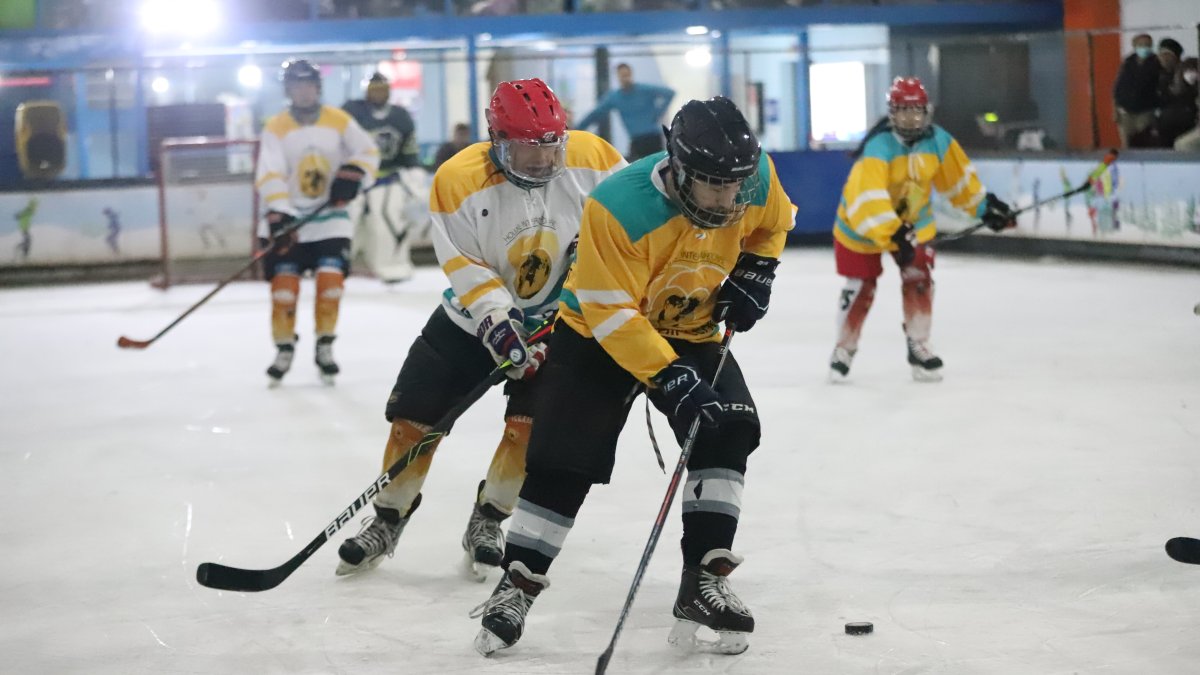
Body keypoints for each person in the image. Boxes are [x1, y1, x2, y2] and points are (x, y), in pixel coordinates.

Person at [471, 96, 796, 657]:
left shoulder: (752, 178)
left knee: (728, 427)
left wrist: (757, 268)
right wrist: (669, 377)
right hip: (598, 333)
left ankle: (703, 580)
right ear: (680, 169)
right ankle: (517, 585)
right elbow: (611, 311)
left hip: (690, 326)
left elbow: (775, 223)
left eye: (735, 188)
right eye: (713, 187)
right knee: (563, 458)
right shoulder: (619, 206)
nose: (728, 201)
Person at [334, 79, 626, 582]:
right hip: (469, 321)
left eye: (551, 145)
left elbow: (630, 218)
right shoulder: (458, 179)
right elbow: (468, 269)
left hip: (559, 325)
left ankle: (488, 519)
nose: (543, 160)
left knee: (527, 432)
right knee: (412, 424)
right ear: (497, 139)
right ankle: (388, 518)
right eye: (527, 148)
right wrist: (501, 330)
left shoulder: (595, 159)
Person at [827, 77, 1015, 383]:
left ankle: (919, 344)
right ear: (892, 112)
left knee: (919, 280)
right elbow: (868, 198)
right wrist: (893, 232)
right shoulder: (878, 147)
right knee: (861, 286)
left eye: (915, 111)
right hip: (861, 226)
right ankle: (844, 347)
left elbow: (959, 182)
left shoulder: (938, 141)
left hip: (914, 225)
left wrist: (985, 208)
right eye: (903, 111)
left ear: (926, 111)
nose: (910, 118)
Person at [255, 59, 380, 386]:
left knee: (331, 284)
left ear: (317, 87)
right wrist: (280, 211)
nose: (303, 91)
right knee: (284, 291)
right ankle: (284, 347)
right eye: (296, 85)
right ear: (288, 90)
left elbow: (368, 153)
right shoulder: (276, 127)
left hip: (330, 218)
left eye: (308, 84)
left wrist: (354, 174)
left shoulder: (339, 120)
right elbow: (270, 172)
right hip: (291, 219)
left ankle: (325, 345)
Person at [343, 72, 426, 283]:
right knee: (346, 221)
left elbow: (409, 152)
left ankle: (392, 265)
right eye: (374, 89)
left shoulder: (401, 116)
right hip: (355, 179)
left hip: (387, 180)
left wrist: (414, 173)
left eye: (382, 89)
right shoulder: (351, 112)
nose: (378, 93)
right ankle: (339, 264)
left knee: (388, 220)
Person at [576, 63, 675, 161]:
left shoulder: (644, 90)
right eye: (622, 75)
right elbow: (595, 114)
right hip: (636, 140)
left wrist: (657, 113)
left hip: (653, 138)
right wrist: (577, 129)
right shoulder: (615, 97)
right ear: (618, 77)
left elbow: (669, 93)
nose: (625, 78)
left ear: (631, 74)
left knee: (658, 164)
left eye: (627, 75)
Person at [1113, 33, 1162, 148]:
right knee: (1126, 144)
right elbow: (1118, 87)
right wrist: (1115, 108)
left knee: (1143, 142)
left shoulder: (1156, 63)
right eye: (1141, 44)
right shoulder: (1128, 62)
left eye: (1148, 44)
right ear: (1134, 45)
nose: (1145, 47)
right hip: (1125, 112)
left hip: (1145, 111)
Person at [13, 197, 36, 262]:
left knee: (28, 241)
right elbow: (19, 215)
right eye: (33, 207)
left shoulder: (29, 211)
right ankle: (20, 251)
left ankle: (23, 254)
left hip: (24, 228)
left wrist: (18, 216)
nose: (34, 209)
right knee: (28, 241)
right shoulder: (28, 210)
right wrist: (18, 216)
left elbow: (19, 215)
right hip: (24, 228)